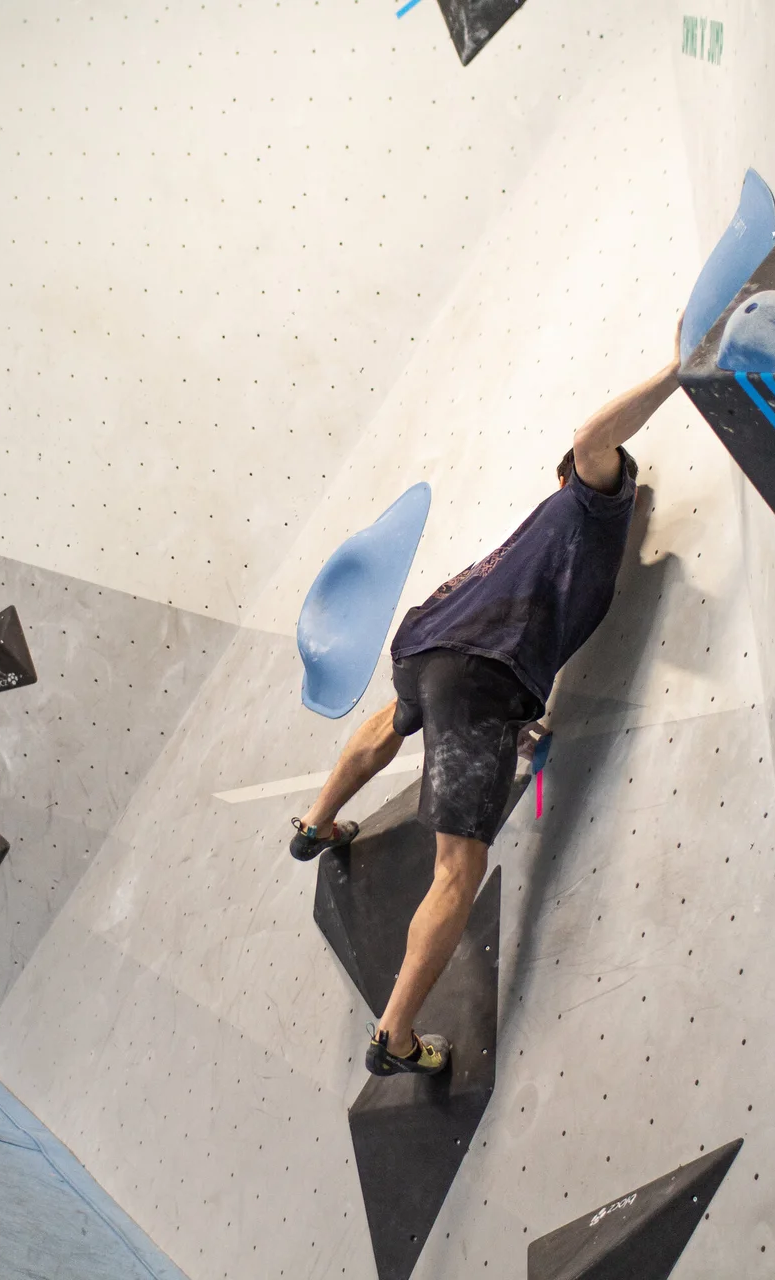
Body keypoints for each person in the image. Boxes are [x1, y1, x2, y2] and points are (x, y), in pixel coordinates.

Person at [288, 348, 681, 1078]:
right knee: (459, 866)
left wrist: (512, 720)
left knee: (395, 716)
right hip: (481, 671)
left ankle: (315, 825)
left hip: (433, 642)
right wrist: (676, 371)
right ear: (578, 479)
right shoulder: (590, 507)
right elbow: (593, 439)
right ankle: (396, 1036)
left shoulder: (534, 537)